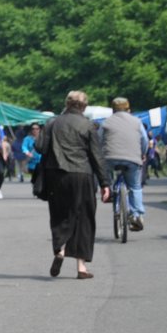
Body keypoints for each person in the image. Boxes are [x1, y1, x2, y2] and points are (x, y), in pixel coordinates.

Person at [39, 90, 111, 279]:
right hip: (82, 174)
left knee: (59, 214)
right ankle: (81, 268)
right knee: (84, 218)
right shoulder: (88, 125)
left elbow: (39, 147)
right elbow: (97, 156)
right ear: (84, 106)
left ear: (67, 103)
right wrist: (105, 183)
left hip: (55, 174)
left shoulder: (52, 123)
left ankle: (60, 250)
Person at [100, 96, 151, 232]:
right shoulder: (137, 122)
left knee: (107, 175)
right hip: (132, 159)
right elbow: (144, 139)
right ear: (128, 109)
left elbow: (99, 140)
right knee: (135, 186)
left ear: (113, 110)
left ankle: (109, 191)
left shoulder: (106, 122)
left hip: (110, 158)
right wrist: (143, 153)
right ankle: (136, 215)